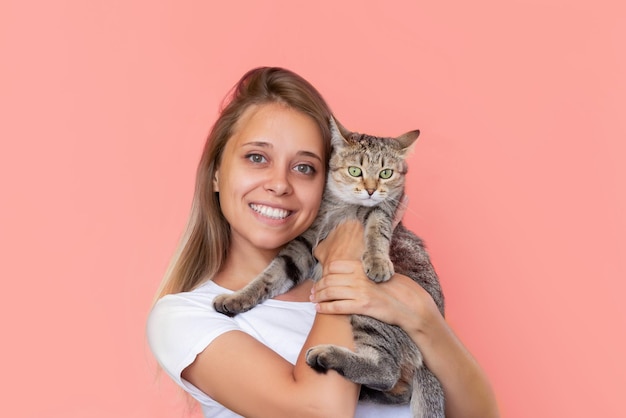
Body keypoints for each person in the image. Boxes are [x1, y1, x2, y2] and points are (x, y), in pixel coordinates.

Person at [146, 66, 499, 418]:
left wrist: (425, 317)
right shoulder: (184, 316)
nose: (280, 184)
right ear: (216, 174)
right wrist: (341, 260)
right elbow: (322, 412)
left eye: (304, 168)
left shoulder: (397, 288)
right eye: (257, 158)